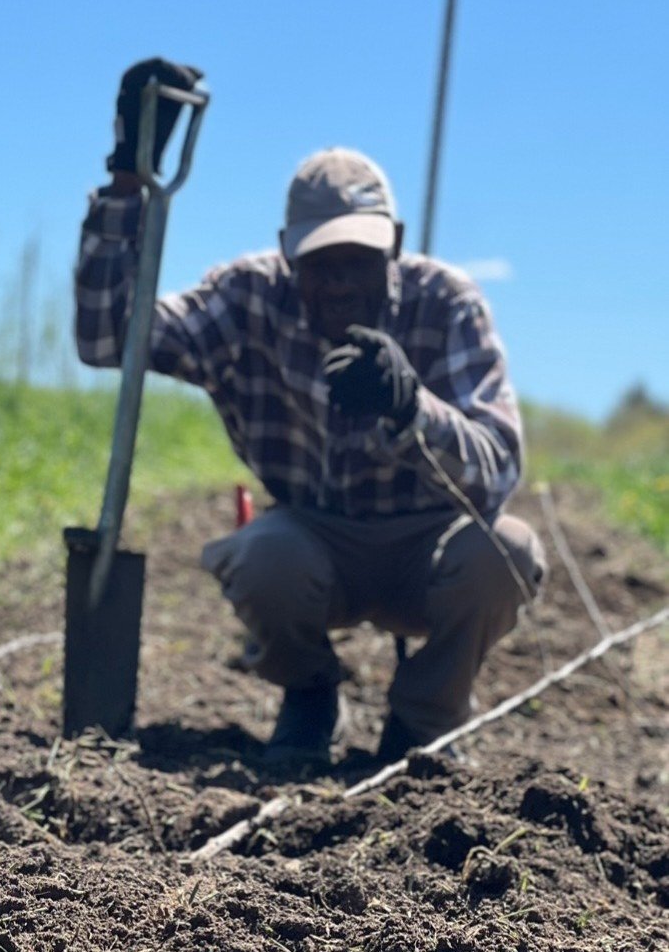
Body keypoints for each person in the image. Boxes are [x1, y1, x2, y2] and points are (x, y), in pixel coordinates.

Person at [75, 59, 547, 766]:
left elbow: (498, 469)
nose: (340, 284)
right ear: (289, 256)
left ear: (394, 244)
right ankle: (309, 695)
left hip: (429, 540)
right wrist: (126, 180)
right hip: (313, 537)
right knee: (263, 556)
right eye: (321, 265)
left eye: (359, 260)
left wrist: (411, 408)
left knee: (506, 553)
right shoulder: (247, 300)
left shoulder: (445, 302)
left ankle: (425, 723)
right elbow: (109, 337)